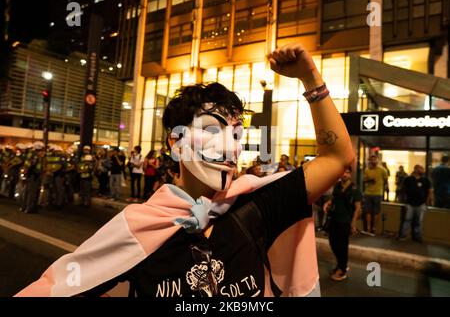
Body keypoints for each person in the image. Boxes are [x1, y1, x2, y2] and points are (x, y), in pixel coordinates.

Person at [17, 43, 354, 297]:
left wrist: (310, 78)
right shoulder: (138, 229)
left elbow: (337, 157)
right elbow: (51, 289)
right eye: (211, 130)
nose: (230, 147)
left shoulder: (254, 205)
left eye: (237, 134)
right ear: (176, 144)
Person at [323, 167, 362, 281]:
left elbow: (358, 208)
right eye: (342, 173)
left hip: (345, 221)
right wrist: (327, 203)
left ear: (350, 174)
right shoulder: (337, 185)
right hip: (334, 219)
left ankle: (342, 269)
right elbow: (334, 199)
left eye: (347, 172)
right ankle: (341, 264)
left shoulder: (355, 189)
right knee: (333, 243)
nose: (344, 174)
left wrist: (353, 223)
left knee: (342, 246)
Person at [398, 165, 432, 242]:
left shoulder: (426, 180)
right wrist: (403, 201)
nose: (422, 170)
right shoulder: (408, 179)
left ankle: (417, 237)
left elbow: (430, 191)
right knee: (407, 220)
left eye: (423, 169)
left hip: (421, 204)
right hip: (410, 203)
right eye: (421, 169)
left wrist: (427, 202)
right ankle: (403, 235)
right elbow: (403, 189)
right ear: (416, 169)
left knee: (418, 221)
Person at [362, 155, 387, 236]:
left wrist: (383, 189)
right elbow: (364, 180)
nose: (373, 161)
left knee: (376, 212)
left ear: (377, 160)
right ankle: (368, 228)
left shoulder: (383, 170)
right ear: (369, 161)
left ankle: (374, 228)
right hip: (368, 193)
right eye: (371, 160)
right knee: (367, 211)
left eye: (374, 160)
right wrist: (369, 180)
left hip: (378, 193)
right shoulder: (367, 170)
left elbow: (386, 180)